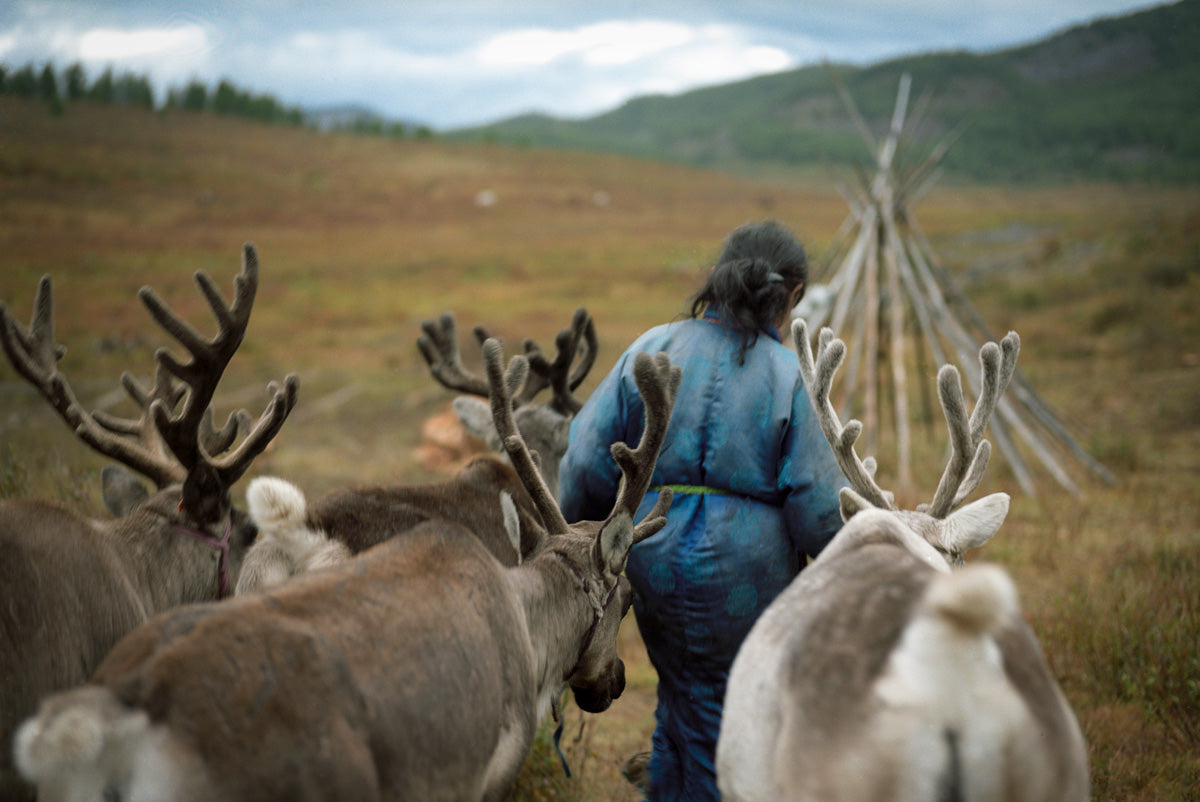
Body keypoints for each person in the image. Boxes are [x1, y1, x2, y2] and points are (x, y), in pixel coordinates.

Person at [557, 219, 847, 802]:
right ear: (790, 297)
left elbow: (584, 464)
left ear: (718, 279)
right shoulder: (789, 375)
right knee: (728, 713)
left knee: (682, 699)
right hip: (748, 580)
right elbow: (818, 509)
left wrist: (580, 540)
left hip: (654, 562)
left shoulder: (650, 347)